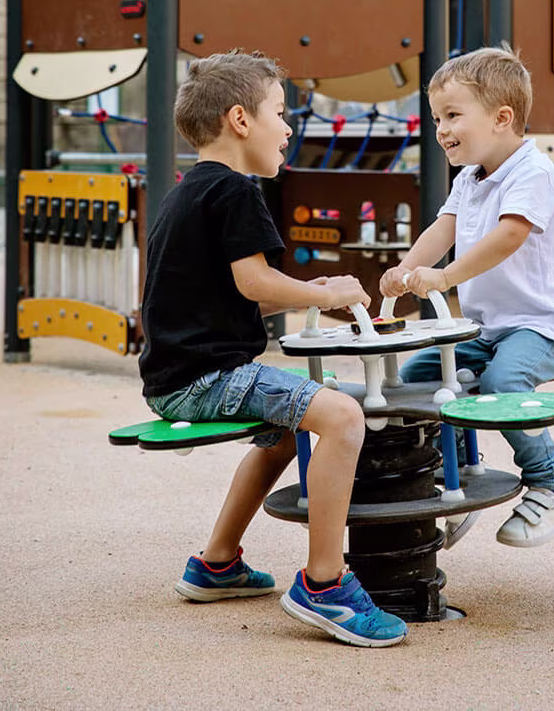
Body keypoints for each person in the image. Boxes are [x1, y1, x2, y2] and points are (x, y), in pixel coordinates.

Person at [138, 50, 407, 648]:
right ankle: (325, 585)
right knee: (340, 416)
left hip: (176, 374)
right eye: (280, 113)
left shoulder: (187, 192)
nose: (288, 128)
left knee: (286, 428)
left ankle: (216, 563)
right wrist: (323, 290)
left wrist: (303, 294)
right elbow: (255, 283)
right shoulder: (236, 191)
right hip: (207, 374)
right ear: (240, 120)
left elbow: (231, 294)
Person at [380, 44, 554, 549]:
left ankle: (550, 485)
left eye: (452, 115)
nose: (441, 129)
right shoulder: (470, 178)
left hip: (541, 327)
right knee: (414, 381)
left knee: (502, 381)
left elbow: (510, 235)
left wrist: (445, 279)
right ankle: (447, 476)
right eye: (436, 118)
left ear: (502, 118)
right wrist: (406, 269)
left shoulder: (532, 172)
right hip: (486, 329)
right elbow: (443, 228)